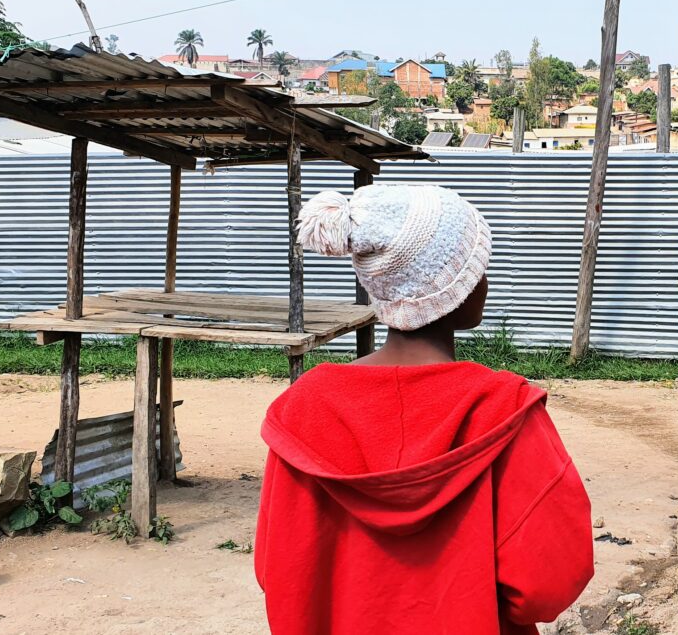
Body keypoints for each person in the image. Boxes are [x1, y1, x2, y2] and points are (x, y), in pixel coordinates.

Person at [254, 184, 594, 634]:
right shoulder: (507, 411)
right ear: (456, 288)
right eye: (477, 269)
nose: (484, 281)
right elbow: (548, 582)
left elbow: (276, 569)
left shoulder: (303, 410)